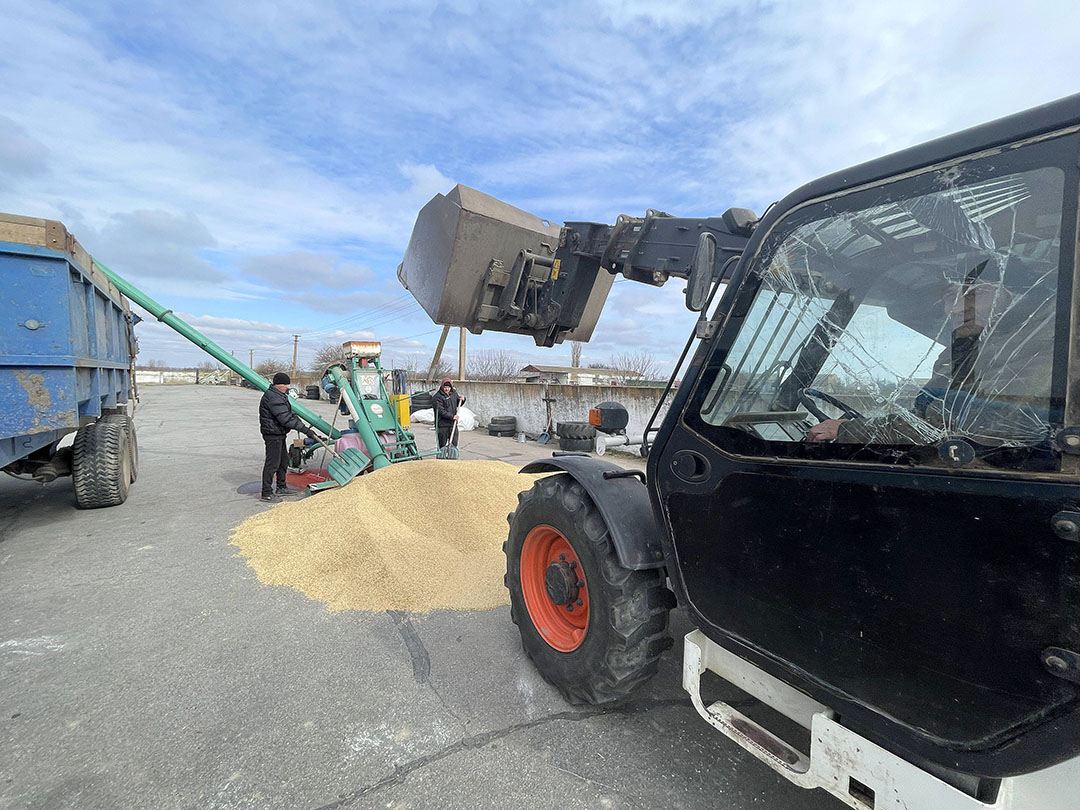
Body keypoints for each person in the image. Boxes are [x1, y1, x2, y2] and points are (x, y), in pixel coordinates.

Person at [259, 372, 318, 502]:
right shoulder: (273, 397)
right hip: (272, 434)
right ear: (278, 385)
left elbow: (289, 413)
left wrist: (302, 425)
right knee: (272, 463)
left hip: (279, 433)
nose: (287, 387)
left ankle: (281, 487)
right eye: (285, 384)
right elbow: (285, 418)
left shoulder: (279, 395)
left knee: (283, 462)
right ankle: (266, 492)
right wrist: (305, 430)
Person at [432, 377, 465, 451]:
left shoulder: (454, 394)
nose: (447, 389)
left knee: (454, 445)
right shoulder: (437, 397)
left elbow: (457, 403)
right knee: (442, 446)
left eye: (448, 387)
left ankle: (452, 460)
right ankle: (441, 459)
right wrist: (452, 416)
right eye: (445, 387)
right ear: (442, 387)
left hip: (453, 424)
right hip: (442, 425)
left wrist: (462, 399)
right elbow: (441, 411)